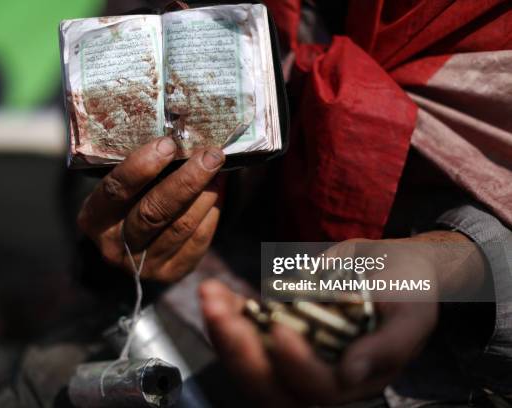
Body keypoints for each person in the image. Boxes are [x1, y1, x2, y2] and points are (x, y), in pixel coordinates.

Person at [78, 0, 512, 406]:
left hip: (445, 369)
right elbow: (111, 64)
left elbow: (416, 274)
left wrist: (444, 268)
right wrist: (135, 203)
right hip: (174, 309)